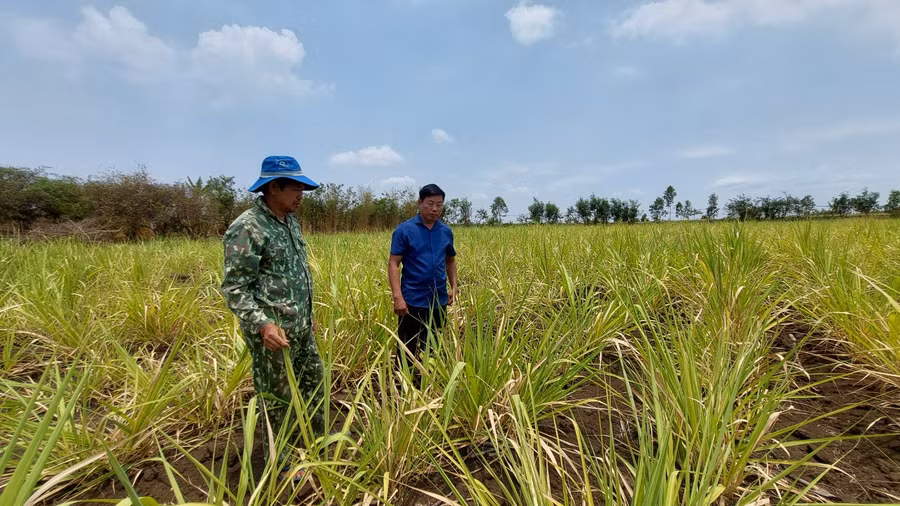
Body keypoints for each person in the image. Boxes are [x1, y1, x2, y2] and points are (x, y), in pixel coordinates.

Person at [221, 155, 324, 481]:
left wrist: (309, 316)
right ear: (273, 187)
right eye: (295, 187)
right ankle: (282, 466)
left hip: (301, 328)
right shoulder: (247, 227)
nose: (301, 194)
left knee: (314, 386)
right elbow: (235, 288)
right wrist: (263, 324)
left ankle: (315, 446)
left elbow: (295, 276)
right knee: (278, 400)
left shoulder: (290, 221)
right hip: (273, 335)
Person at [387, 184, 458, 385]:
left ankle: (428, 385)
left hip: (438, 301)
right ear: (420, 203)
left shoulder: (445, 232)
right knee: (407, 345)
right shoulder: (404, 230)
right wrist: (397, 296)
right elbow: (393, 263)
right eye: (430, 204)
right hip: (412, 300)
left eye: (439, 204)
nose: (435, 209)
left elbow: (450, 260)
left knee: (433, 345)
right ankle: (403, 389)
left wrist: (453, 286)